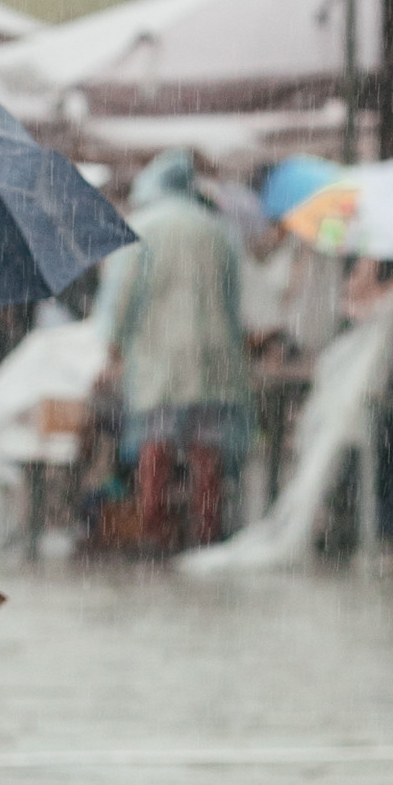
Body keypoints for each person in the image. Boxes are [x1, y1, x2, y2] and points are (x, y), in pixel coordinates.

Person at [95, 149, 252, 551]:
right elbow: (238, 299)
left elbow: (121, 293)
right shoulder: (217, 230)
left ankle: (155, 532)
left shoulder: (143, 226)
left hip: (160, 354)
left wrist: (112, 347)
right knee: (206, 451)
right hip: (214, 356)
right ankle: (206, 534)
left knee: (156, 445)